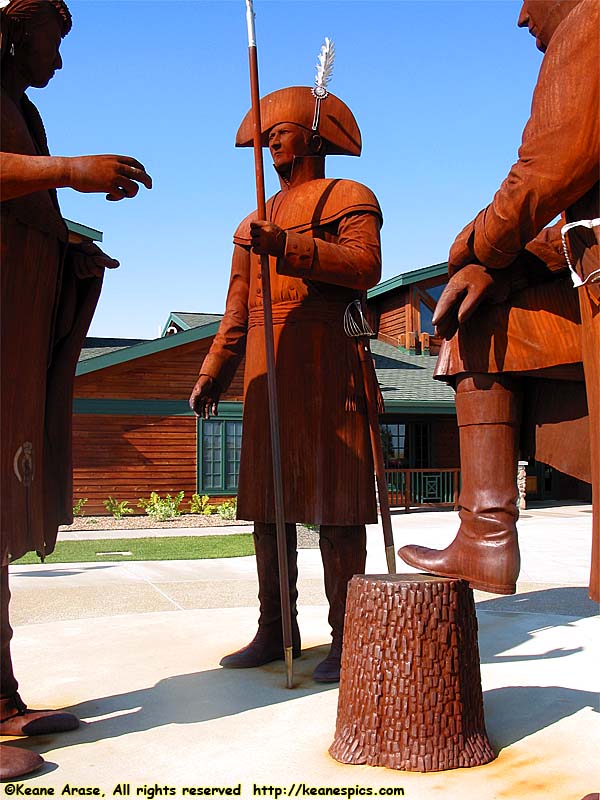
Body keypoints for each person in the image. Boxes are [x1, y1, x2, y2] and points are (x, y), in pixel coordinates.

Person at [399, 0, 599, 602]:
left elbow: (548, 169)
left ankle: (485, 540)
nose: (520, 17)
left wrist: (475, 248)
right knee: (479, 320)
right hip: (585, 282)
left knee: (472, 324)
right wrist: (503, 270)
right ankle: (485, 540)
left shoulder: (589, 20)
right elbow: (572, 214)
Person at [0, 0, 152, 779]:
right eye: (51, 43)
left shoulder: (20, 110)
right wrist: (69, 172)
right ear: (10, 28)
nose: (57, 63)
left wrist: (70, 255)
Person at [189, 85, 382, 683]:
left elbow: (365, 268)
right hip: (266, 367)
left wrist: (293, 246)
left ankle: (349, 634)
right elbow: (238, 309)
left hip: (328, 353)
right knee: (268, 505)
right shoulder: (252, 219)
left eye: (284, 130)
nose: (273, 141)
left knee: (335, 501)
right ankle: (276, 628)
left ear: (315, 136)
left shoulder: (349, 195)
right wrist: (212, 371)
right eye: (266, 134)